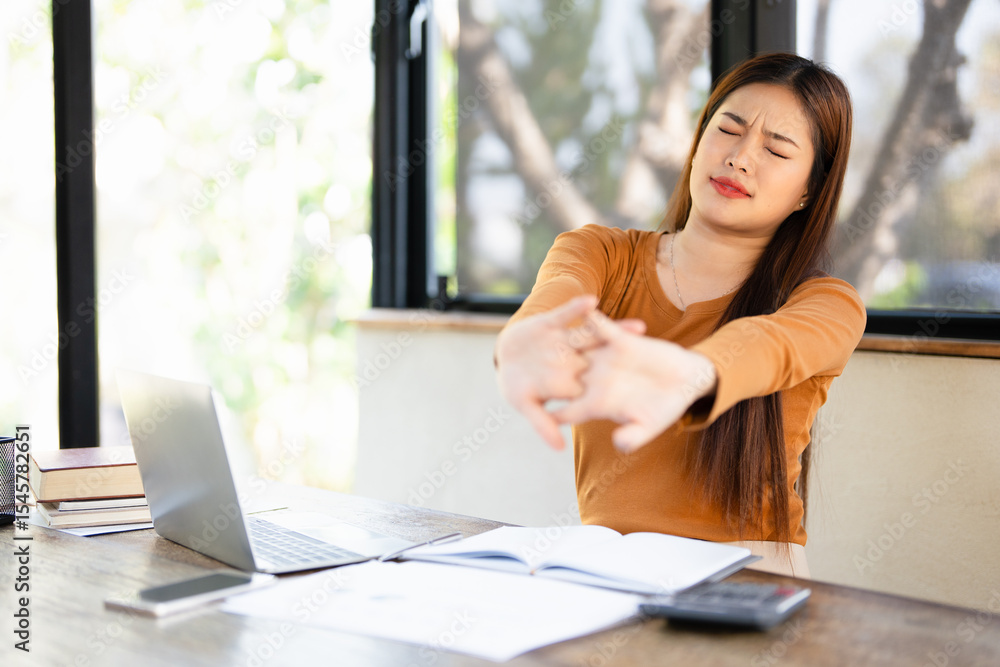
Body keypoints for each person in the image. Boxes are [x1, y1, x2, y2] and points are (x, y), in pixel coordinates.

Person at [494, 52, 866, 577]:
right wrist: (525, 338)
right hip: (605, 576)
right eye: (728, 129)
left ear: (809, 190)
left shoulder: (827, 304)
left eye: (777, 150)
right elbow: (558, 298)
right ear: (697, 142)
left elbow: (768, 344)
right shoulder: (600, 252)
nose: (740, 158)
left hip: (750, 584)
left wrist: (691, 374)